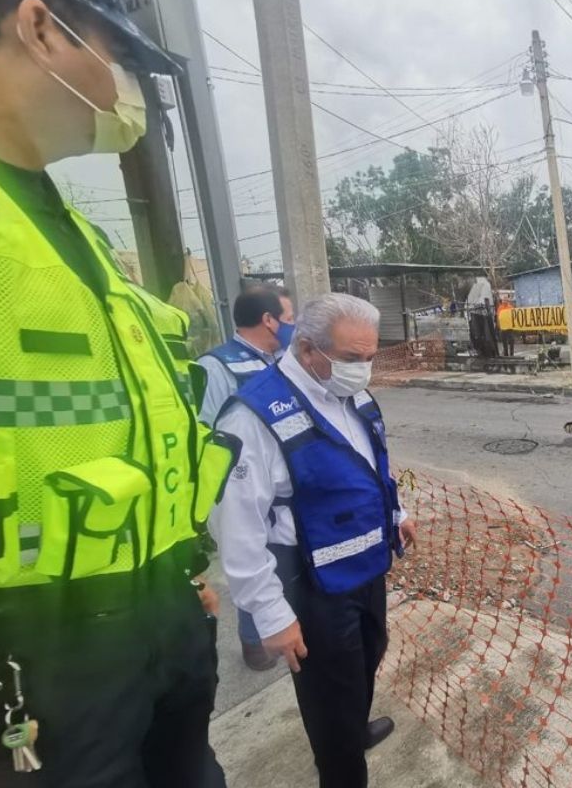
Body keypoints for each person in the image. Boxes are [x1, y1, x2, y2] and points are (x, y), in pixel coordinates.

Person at [0, 0, 232, 785]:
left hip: (155, 612)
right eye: (120, 57)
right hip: (39, 642)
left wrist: (178, 571)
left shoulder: (76, 236)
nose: (129, 88)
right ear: (38, 29)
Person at [210, 293, 416, 788]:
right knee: (328, 693)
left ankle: (351, 728)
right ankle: (341, 765)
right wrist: (270, 615)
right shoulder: (254, 415)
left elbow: (368, 465)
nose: (363, 371)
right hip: (309, 586)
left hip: (365, 569)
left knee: (367, 656)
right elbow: (236, 526)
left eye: (369, 359)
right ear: (307, 349)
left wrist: (397, 512)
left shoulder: (353, 395)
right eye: (351, 359)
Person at [199, 287, 289, 671]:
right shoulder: (217, 366)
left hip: (282, 483)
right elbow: (204, 430)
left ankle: (283, 625)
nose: (291, 325)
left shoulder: (280, 359)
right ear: (269, 319)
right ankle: (254, 642)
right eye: (287, 317)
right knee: (250, 556)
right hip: (240, 482)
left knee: (278, 561)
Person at [198, 287, 285, 426]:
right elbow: (206, 429)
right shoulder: (214, 367)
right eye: (289, 319)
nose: (294, 326)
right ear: (268, 320)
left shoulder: (285, 357)